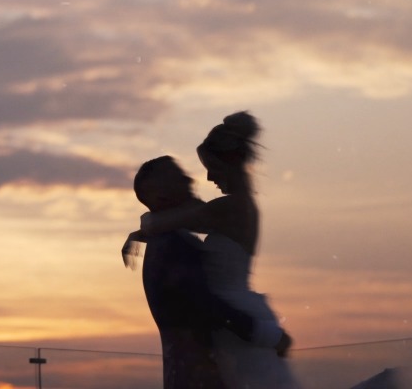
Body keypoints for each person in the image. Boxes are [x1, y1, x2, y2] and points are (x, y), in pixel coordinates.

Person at [126, 113, 299, 389]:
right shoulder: (234, 208)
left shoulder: (227, 209)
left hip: (234, 320)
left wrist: (139, 230)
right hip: (238, 315)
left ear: (228, 162)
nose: (206, 177)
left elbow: (159, 221)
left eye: (211, 167)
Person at [130, 155, 259, 389]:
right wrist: (262, 332)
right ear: (161, 196)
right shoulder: (173, 246)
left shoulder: (169, 241)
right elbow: (205, 305)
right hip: (197, 377)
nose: (189, 179)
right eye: (177, 177)